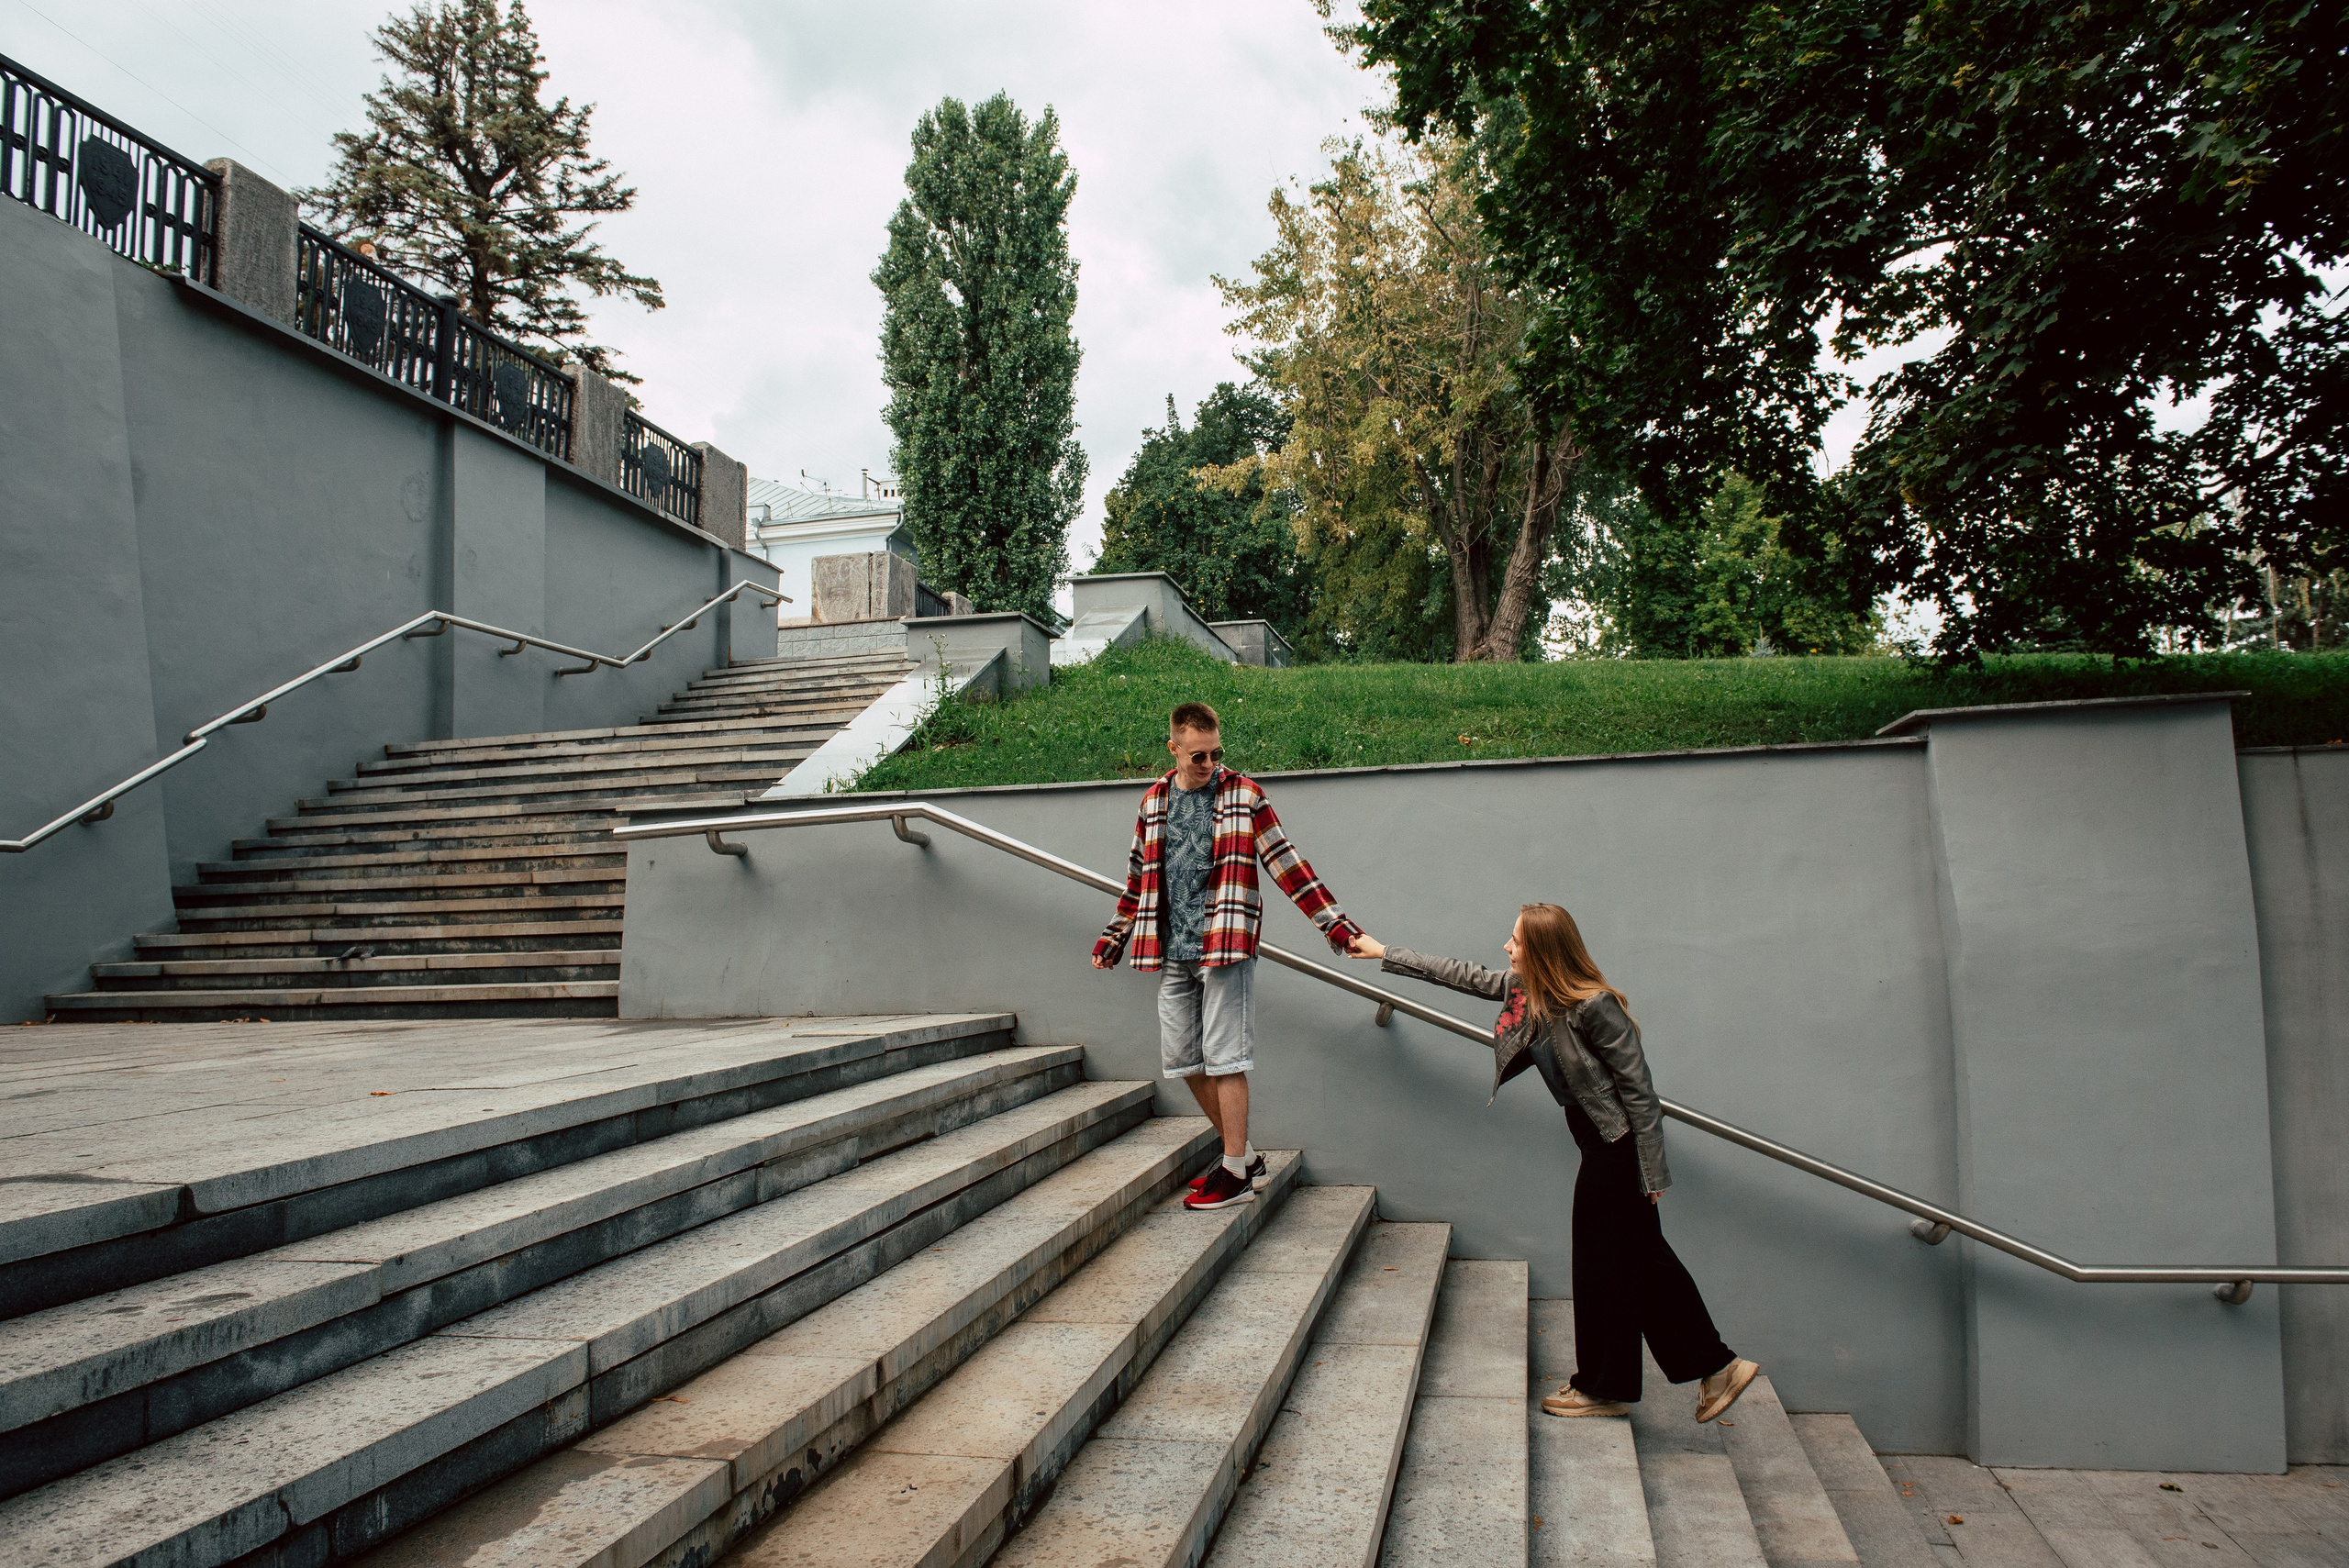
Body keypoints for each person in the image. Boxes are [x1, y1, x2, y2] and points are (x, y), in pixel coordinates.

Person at [1347, 905, 1759, 1422]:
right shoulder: (1530, 993)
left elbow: (1641, 1093)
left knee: (1617, 1262)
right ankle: (1682, 1372)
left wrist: (1650, 1171)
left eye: (1515, 940)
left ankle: (1643, 1379)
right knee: (1634, 1260)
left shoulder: (1594, 1005)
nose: (1506, 948)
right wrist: (1384, 951)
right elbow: (1462, 975)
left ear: (1541, 949)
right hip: (1597, 1141)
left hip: (1618, 1144)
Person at [1093, 701, 1364, 1212]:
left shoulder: (1244, 795)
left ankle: (1235, 1169)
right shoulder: (1153, 802)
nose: (1209, 764)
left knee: (1226, 1060)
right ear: (1172, 748)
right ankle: (1249, 1157)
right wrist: (1115, 936)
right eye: (1197, 756)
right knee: (1183, 1059)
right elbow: (1136, 881)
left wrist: (1337, 927)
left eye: (1215, 753)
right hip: (1171, 948)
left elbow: (1289, 866)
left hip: (1225, 944)